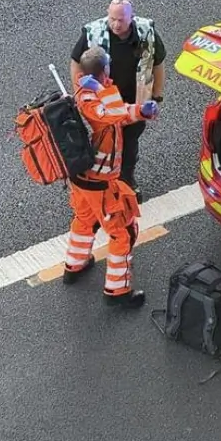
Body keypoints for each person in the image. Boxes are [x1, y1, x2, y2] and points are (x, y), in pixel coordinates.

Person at [62, 45, 159, 309]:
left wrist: (138, 111)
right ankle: (117, 291)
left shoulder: (86, 91)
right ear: (105, 69)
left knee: (85, 219)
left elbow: (116, 114)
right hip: (100, 181)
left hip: (82, 178)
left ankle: (75, 264)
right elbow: (109, 115)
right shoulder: (93, 98)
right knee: (123, 233)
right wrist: (136, 109)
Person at [70, 0, 166, 204]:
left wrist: (156, 97)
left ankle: (125, 180)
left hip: (133, 98)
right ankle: (106, 188)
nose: (115, 24)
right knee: (106, 147)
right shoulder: (93, 33)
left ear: (131, 17)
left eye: (121, 20)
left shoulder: (146, 32)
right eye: (112, 18)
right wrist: (81, 91)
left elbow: (158, 64)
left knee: (129, 146)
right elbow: (76, 61)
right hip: (106, 103)